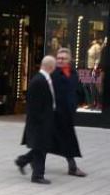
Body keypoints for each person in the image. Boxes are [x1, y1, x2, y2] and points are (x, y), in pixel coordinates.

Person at [15, 56, 57, 184]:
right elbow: (34, 105)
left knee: (40, 148)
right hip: (40, 122)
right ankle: (37, 176)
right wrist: (41, 122)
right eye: (54, 66)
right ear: (50, 66)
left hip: (44, 121)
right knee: (41, 149)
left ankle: (22, 161)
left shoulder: (45, 79)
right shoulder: (39, 81)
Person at [51, 48, 86, 177]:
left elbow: (78, 89)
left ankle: (26, 160)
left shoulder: (73, 73)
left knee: (52, 141)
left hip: (67, 113)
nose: (60, 60)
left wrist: (77, 102)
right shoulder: (53, 74)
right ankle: (73, 167)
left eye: (63, 58)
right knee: (66, 140)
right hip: (55, 114)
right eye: (58, 58)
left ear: (69, 60)